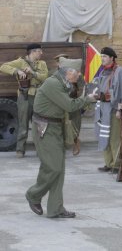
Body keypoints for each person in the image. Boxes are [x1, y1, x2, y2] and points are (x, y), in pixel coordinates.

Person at [25, 57, 96, 218]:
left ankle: (55, 208)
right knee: (53, 167)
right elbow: (70, 106)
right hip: (45, 128)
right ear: (68, 72)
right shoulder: (53, 84)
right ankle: (33, 195)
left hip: (55, 127)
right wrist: (89, 99)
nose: (79, 75)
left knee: (59, 169)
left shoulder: (63, 83)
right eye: (77, 73)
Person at [0, 43, 48, 158]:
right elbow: (3, 67)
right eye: (39, 51)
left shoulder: (42, 63)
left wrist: (33, 73)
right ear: (33, 52)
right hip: (25, 96)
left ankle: (40, 150)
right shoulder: (20, 62)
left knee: (39, 123)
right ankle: (20, 150)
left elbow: (45, 77)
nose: (41, 53)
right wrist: (17, 71)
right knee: (23, 123)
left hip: (39, 97)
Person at [94, 47, 122, 173]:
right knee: (104, 135)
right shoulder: (102, 71)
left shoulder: (120, 72)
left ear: (112, 58)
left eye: (105, 56)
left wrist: (120, 109)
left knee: (115, 138)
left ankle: (117, 164)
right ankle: (108, 163)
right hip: (103, 108)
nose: (102, 59)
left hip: (114, 109)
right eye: (102, 56)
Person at [54, 53, 85, 156]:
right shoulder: (55, 74)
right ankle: (61, 146)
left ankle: (76, 142)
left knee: (75, 123)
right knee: (61, 124)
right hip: (61, 103)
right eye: (59, 61)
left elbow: (82, 88)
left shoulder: (77, 75)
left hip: (74, 101)